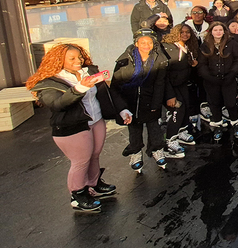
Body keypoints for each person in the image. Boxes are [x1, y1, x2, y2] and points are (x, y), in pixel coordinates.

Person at [26, 44, 128, 213]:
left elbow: (106, 93)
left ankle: (94, 184)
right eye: (72, 58)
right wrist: (80, 88)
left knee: (94, 155)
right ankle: (78, 195)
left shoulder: (89, 71)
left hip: (96, 121)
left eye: (79, 57)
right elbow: (58, 104)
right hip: (72, 126)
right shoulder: (48, 82)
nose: (78, 61)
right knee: (80, 161)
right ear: (59, 60)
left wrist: (122, 109)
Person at [112, 29, 171, 171]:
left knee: (154, 128)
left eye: (149, 42)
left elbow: (160, 83)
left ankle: (156, 149)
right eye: (143, 42)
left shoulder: (159, 59)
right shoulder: (124, 60)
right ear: (136, 43)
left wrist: (156, 104)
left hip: (150, 100)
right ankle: (136, 152)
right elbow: (116, 84)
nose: (146, 45)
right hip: (131, 101)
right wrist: (122, 107)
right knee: (134, 130)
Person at [197, 22, 238, 143]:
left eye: (220, 30)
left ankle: (235, 123)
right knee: (214, 103)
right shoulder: (205, 46)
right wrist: (209, 77)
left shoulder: (232, 44)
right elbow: (201, 64)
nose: (218, 32)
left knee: (231, 103)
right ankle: (217, 125)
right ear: (211, 32)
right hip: (211, 80)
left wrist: (232, 73)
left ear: (224, 31)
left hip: (228, 78)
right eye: (215, 30)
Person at [161, 24, 200, 156]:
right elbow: (164, 72)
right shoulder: (168, 48)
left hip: (182, 83)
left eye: (187, 32)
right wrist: (169, 94)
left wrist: (193, 66)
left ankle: (181, 132)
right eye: (181, 32)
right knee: (177, 110)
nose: (184, 34)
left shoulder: (189, 47)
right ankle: (169, 141)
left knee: (186, 107)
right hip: (171, 85)